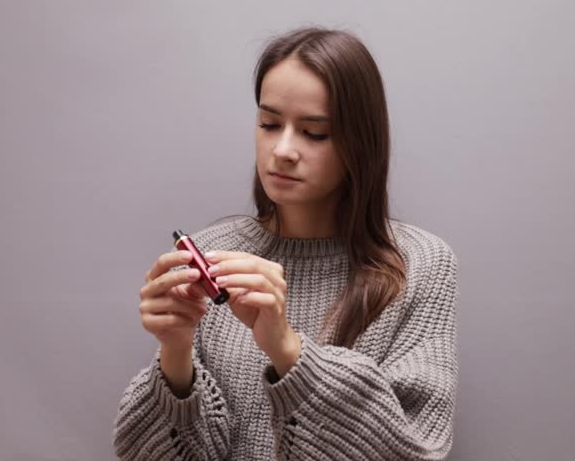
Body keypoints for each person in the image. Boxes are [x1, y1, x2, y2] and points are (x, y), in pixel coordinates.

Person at [112, 26, 459, 460]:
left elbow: (416, 451)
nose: (283, 150)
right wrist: (175, 356)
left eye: (314, 133)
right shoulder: (212, 254)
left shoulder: (421, 265)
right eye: (269, 123)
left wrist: (287, 348)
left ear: (360, 143)